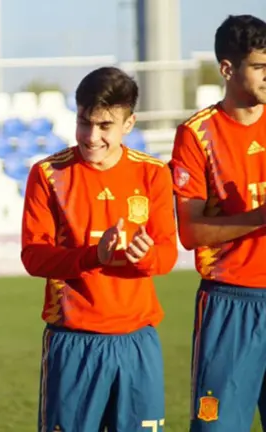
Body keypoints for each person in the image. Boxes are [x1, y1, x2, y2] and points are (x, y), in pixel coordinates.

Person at [21, 66, 178, 431]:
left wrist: (146, 257)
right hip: (73, 340)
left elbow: (167, 254)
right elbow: (33, 256)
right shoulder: (48, 174)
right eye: (84, 123)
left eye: (105, 126)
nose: (92, 137)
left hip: (137, 342)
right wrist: (94, 256)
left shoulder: (153, 173)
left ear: (128, 123)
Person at [170, 14, 266, 431]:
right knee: (216, 426)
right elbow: (191, 232)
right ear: (228, 68)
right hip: (230, 303)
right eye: (260, 66)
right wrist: (259, 218)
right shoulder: (196, 135)